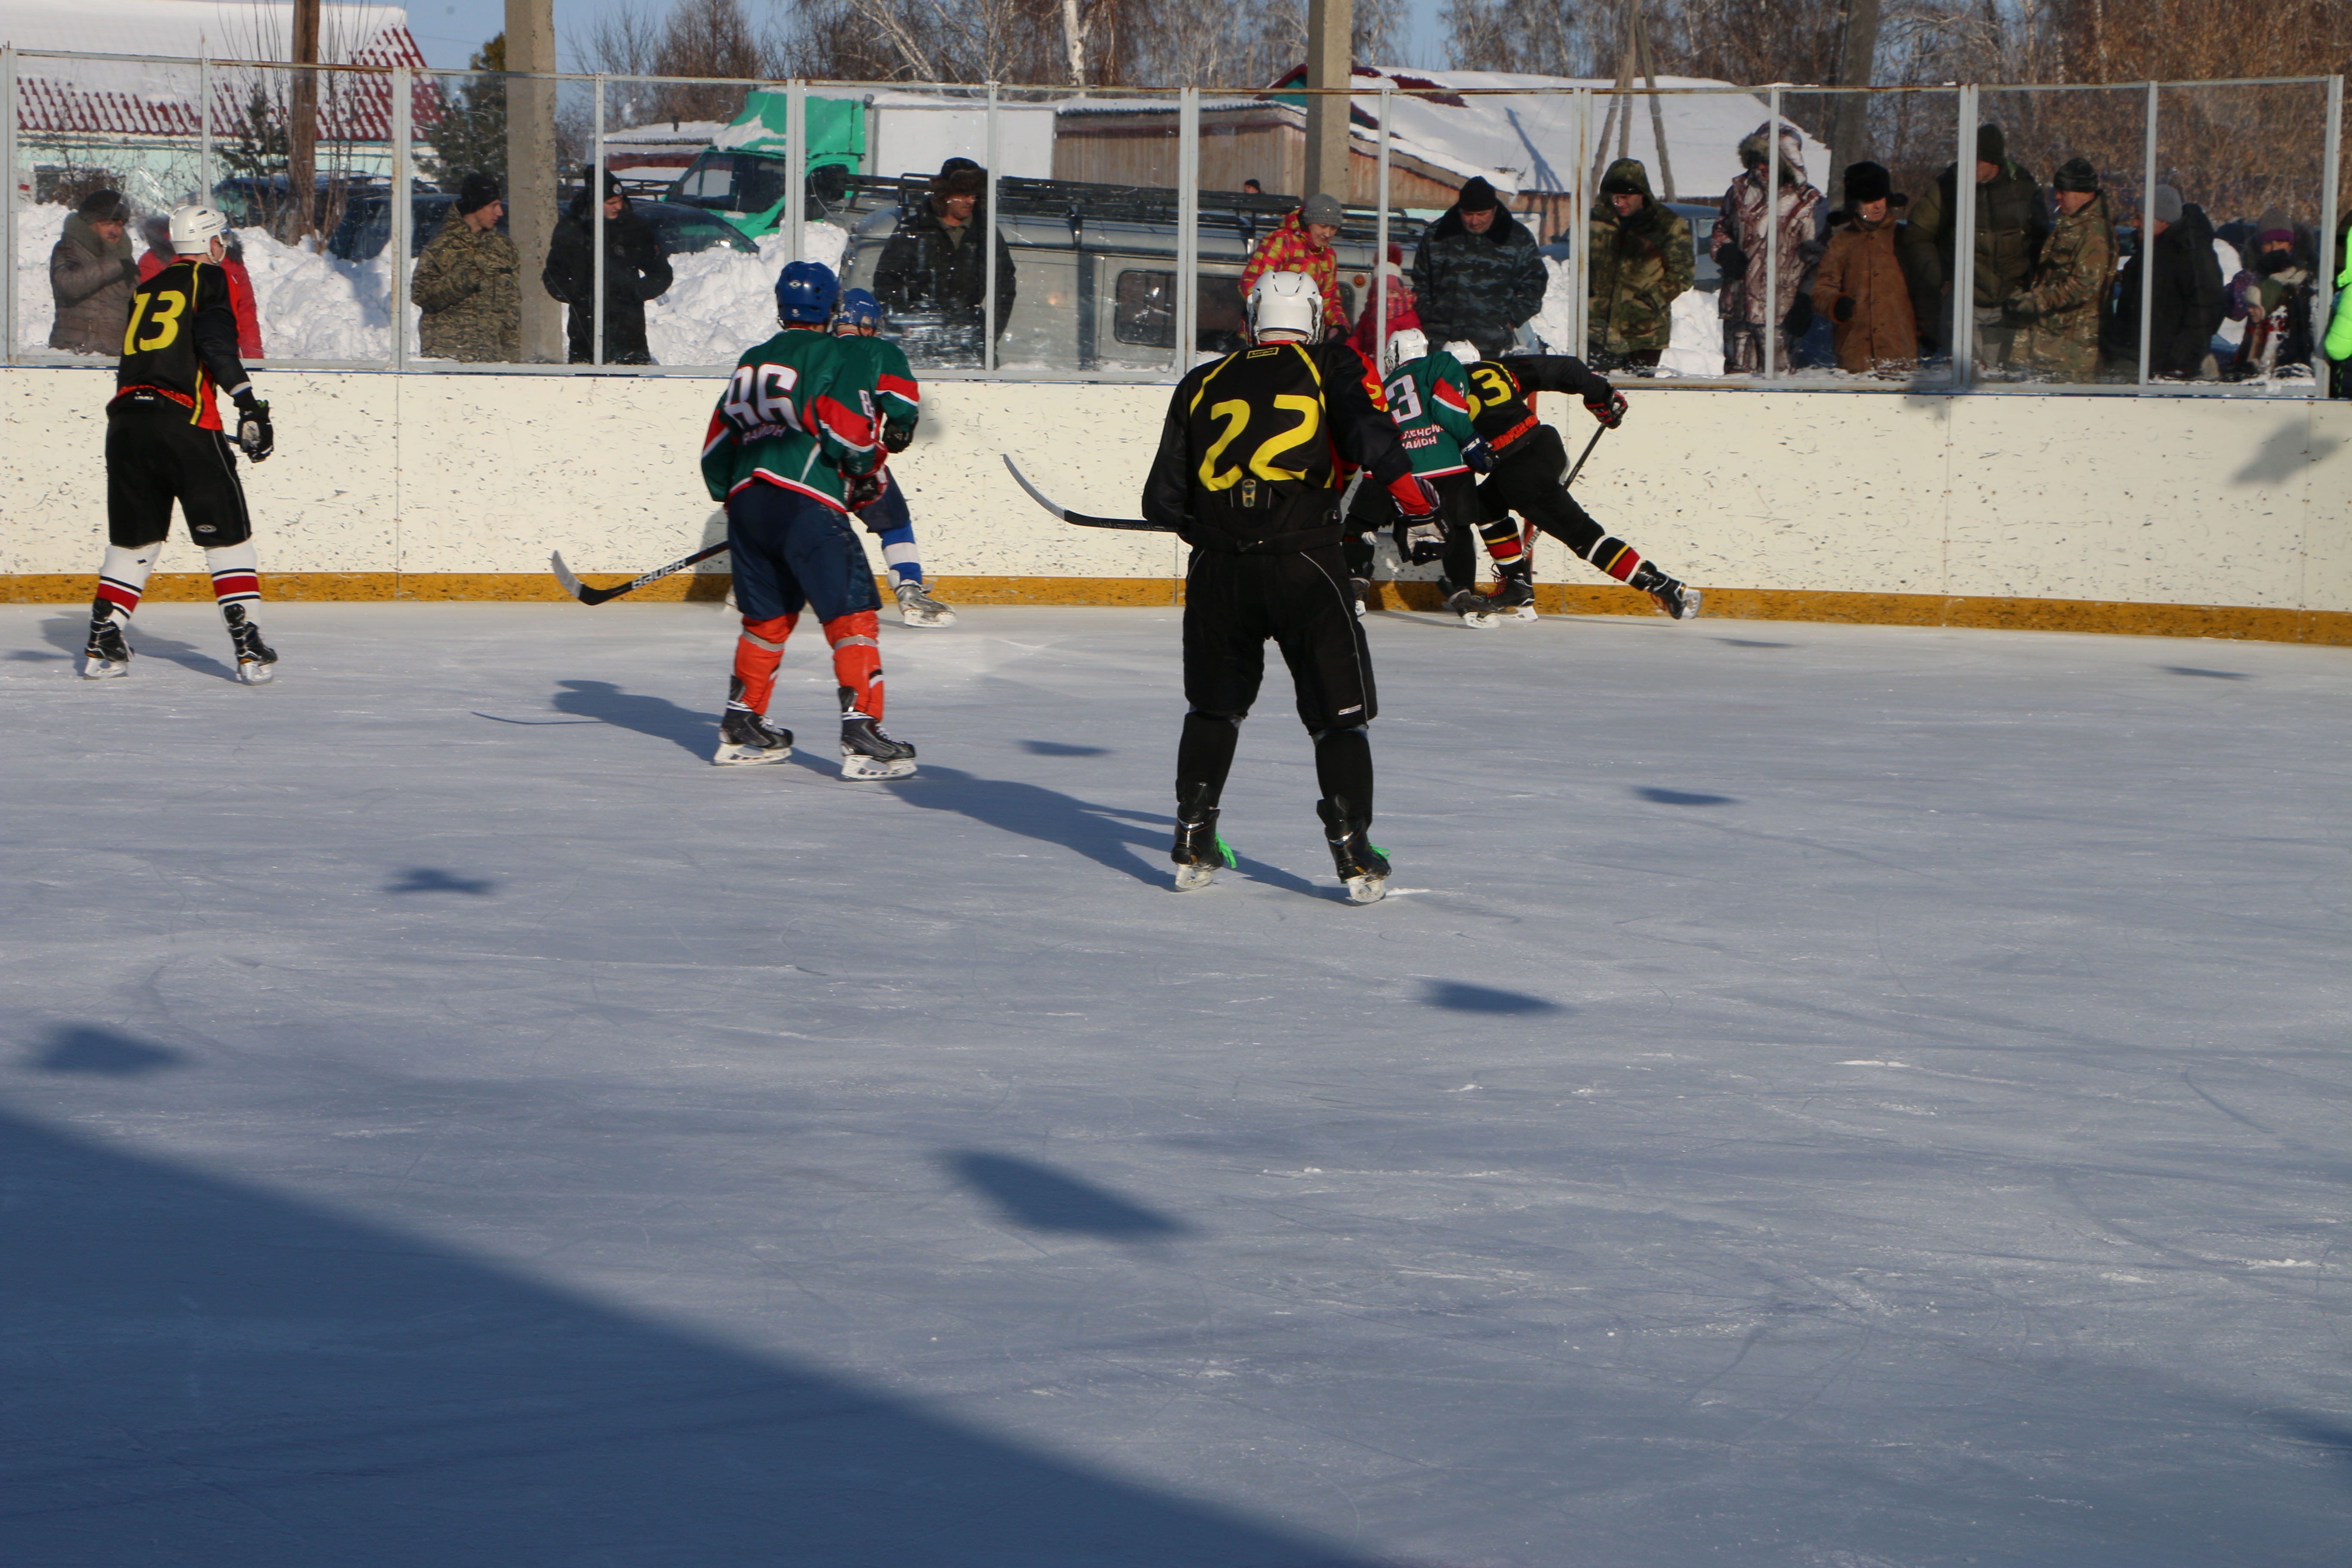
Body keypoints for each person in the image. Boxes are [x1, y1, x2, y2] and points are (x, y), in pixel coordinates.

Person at [1141, 271, 1437, 903]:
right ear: (1315, 318)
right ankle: (1354, 852)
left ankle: (1194, 833)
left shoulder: (1201, 382)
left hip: (1221, 572)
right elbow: (1370, 435)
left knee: (1214, 709)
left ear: (1253, 318)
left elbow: (1162, 503)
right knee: (1338, 720)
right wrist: (1418, 504)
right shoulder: (1331, 361)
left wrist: (1223, 528)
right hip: (1307, 562)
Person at [699, 260, 914, 779]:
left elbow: (715, 451)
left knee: (767, 620)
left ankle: (743, 724)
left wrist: (739, 495)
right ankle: (863, 734)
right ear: (832, 308)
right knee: (852, 615)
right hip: (806, 503)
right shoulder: (833, 352)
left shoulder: (751, 361)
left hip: (749, 505)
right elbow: (848, 431)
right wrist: (862, 466)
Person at [80, 204, 279, 684]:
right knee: (230, 539)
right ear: (210, 242)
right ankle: (249, 646)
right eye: (220, 239)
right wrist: (247, 402)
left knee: (134, 542)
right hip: (184, 423)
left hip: (126, 425)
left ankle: (103, 640)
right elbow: (214, 344)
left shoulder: (145, 288)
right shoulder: (210, 278)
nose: (223, 246)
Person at [1448, 346, 1700, 622]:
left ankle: (1665, 586)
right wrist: (1602, 396)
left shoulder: (1445, 389)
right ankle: (1516, 585)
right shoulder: (1498, 368)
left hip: (1519, 471)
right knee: (1485, 503)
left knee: (1584, 537)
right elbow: (1568, 368)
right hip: (1544, 445)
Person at [1344, 328, 1500, 626]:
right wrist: (1469, 439)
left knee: (1358, 525)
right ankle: (1463, 591)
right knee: (1459, 528)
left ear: (1393, 356)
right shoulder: (1439, 361)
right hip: (1446, 464)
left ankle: (1356, 583)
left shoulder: (1383, 383)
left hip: (1393, 466)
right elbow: (1446, 402)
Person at [830, 287, 955, 628]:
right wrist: (901, 427)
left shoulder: (813, 348)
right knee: (895, 521)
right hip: (856, 460)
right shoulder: (878, 350)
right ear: (867, 324)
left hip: (807, 462)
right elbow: (902, 404)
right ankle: (910, 590)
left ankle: (758, 583)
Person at [1900, 122, 2049, 370]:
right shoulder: (1948, 187)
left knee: (2001, 385)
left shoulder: (2023, 187)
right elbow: (1917, 235)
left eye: (1976, 160)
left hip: (2010, 305)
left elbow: (2041, 240)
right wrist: (1943, 281)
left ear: (1993, 163)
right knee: (1964, 381)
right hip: (1964, 304)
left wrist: (2030, 287)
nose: (1969, 166)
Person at [1708, 122, 1825, 374]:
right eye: (1756, 160)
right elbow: (1721, 229)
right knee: (1736, 385)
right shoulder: (1738, 192)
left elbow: (1820, 260)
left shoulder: (1809, 202)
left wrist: (1805, 301)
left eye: (1768, 160)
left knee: (1778, 386)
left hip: (1781, 313)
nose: (1761, 167)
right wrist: (1726, 250)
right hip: (1739, 308)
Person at [871, 163, 1017, 350]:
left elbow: (1005, 285)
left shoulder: (987, 234)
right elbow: (886, 280)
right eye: (963, 194)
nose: (970, 201)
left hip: (970, 345)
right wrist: (904, 323)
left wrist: (989, 334)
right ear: (945, 195)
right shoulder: (914, 230)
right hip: (921, 344)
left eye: (974, 195)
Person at [542, 169, 672, 365]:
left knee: (634, 391)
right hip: (584, 337)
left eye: (620, 200)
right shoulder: (572, 229)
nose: (618, 207)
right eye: (611, 203)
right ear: (594, 203)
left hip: (630, 337)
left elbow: (662, 273)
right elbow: (553, 275)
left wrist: (634, 292)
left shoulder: (635, 228)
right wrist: (578, 295)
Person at [2004, 157, 2116, 384]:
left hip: (2071, 352)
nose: (2057, 197)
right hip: (2051, 343)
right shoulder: (2072, 224)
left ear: (2083, 193)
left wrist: (2037, 301)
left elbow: (2083, 286)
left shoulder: (2095, 233)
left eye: (2062, 192)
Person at [1412, 177, 1547, 359]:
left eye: (1482, 214)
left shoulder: (1517, 239)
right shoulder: (1438, 235)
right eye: (1468, 214)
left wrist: (1507, 322)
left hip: (1490, 347)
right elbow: (1421, 281)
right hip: (1439, 343)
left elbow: (1534, 286)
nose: (1475, 221)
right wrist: (1429, 316)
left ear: (1494, 209)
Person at [2101, 184, 2224, 379]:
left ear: (2162, 221)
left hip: (2169, 373)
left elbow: (2208, 309)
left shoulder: (2192, 255)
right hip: (2134, 364)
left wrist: (2178, 360)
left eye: (2140, 218)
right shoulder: (2145, 254)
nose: (2134, 224)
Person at [1586, 157, 1693, 374]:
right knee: (1597, 393)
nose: (1619, 203)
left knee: (1638, 394)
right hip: (1599, 330)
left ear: (1642, 193)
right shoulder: (1595, 223)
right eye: (1614, 197)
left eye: (1626, 197)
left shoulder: (1667, 224)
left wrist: (1649, 303)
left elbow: (1683, 274)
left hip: (1644, 332)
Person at [1810, 161, 1917, 376]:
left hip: (1900, 354)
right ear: (1855, 204)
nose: (1877, 206)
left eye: (1880, 198)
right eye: (1869, 201)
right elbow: (1821, 289)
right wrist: (1835, 302)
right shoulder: (1840, 243)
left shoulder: (1906, 239)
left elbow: (1926, 292)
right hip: (1856, 357)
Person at [411, 172, 520, 363]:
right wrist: (462, 279)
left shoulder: (504, 247)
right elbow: (421, 296)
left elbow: (513, 309)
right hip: (450, 358)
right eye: (493, 206)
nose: (500, 213)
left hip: (494, 360)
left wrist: (513, 359)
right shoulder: (442, 245)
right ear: (476, 206)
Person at [138, 214, 261, 359]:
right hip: (175, 363)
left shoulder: (229, 259)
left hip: (223, 359)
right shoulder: (156, 260)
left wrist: (254, 363)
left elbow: (245, 314)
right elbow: (148, 319)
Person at [1238, 192, 1350, 341]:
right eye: (1323, 226)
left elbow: (1329, 299)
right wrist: (1272, 310)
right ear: (1309, 223)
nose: (1328, 234)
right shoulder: (1282, 242)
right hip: (1265, 335)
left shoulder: (1328, 256)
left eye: (1334, 228)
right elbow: (1251, 282)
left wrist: (1339, 326)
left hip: (1304, 338)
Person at [2225, 208, 2318, 380]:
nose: (2275, 249)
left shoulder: (2308, 274)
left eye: (2281, 242)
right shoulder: (2253, 275)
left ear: (2291, 243)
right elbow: (2234, 310)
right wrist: (2250, 283)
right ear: (2260, 247)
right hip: (2255, 362)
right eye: (2269, 244)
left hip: (2296, 362)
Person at [49, 189, 138, 355]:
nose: (115, 231)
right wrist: (116, 263)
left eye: (119, 224)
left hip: (115, 354)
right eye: (107, 223)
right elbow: (68, 285)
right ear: (89, 224)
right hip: (78, 353)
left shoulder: (124, 256)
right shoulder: (69, 248)